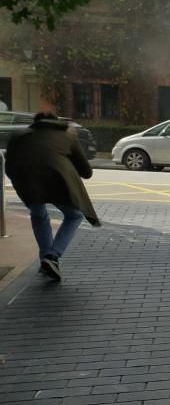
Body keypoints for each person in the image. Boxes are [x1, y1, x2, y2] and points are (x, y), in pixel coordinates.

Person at [4, 112, 101, 282]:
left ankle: (46, 261)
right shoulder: (67, 136)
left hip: (29, 184)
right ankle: (52, 256)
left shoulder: (19, 136)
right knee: (74, 216)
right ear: (55, 122)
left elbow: (9, 168)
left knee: (39, 216)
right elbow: (87, 172)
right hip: (58, 183)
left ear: (35, 123)